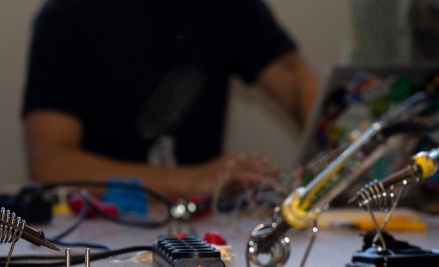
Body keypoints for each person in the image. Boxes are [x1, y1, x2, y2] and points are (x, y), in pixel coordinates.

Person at [21, 0, 319, 197]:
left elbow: (300, 87)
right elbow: (50, 165)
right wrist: (192, 180)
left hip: (204, 228)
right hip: (98, 226)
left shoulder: (230, 7)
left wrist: (335, 149)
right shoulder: (66, 15)